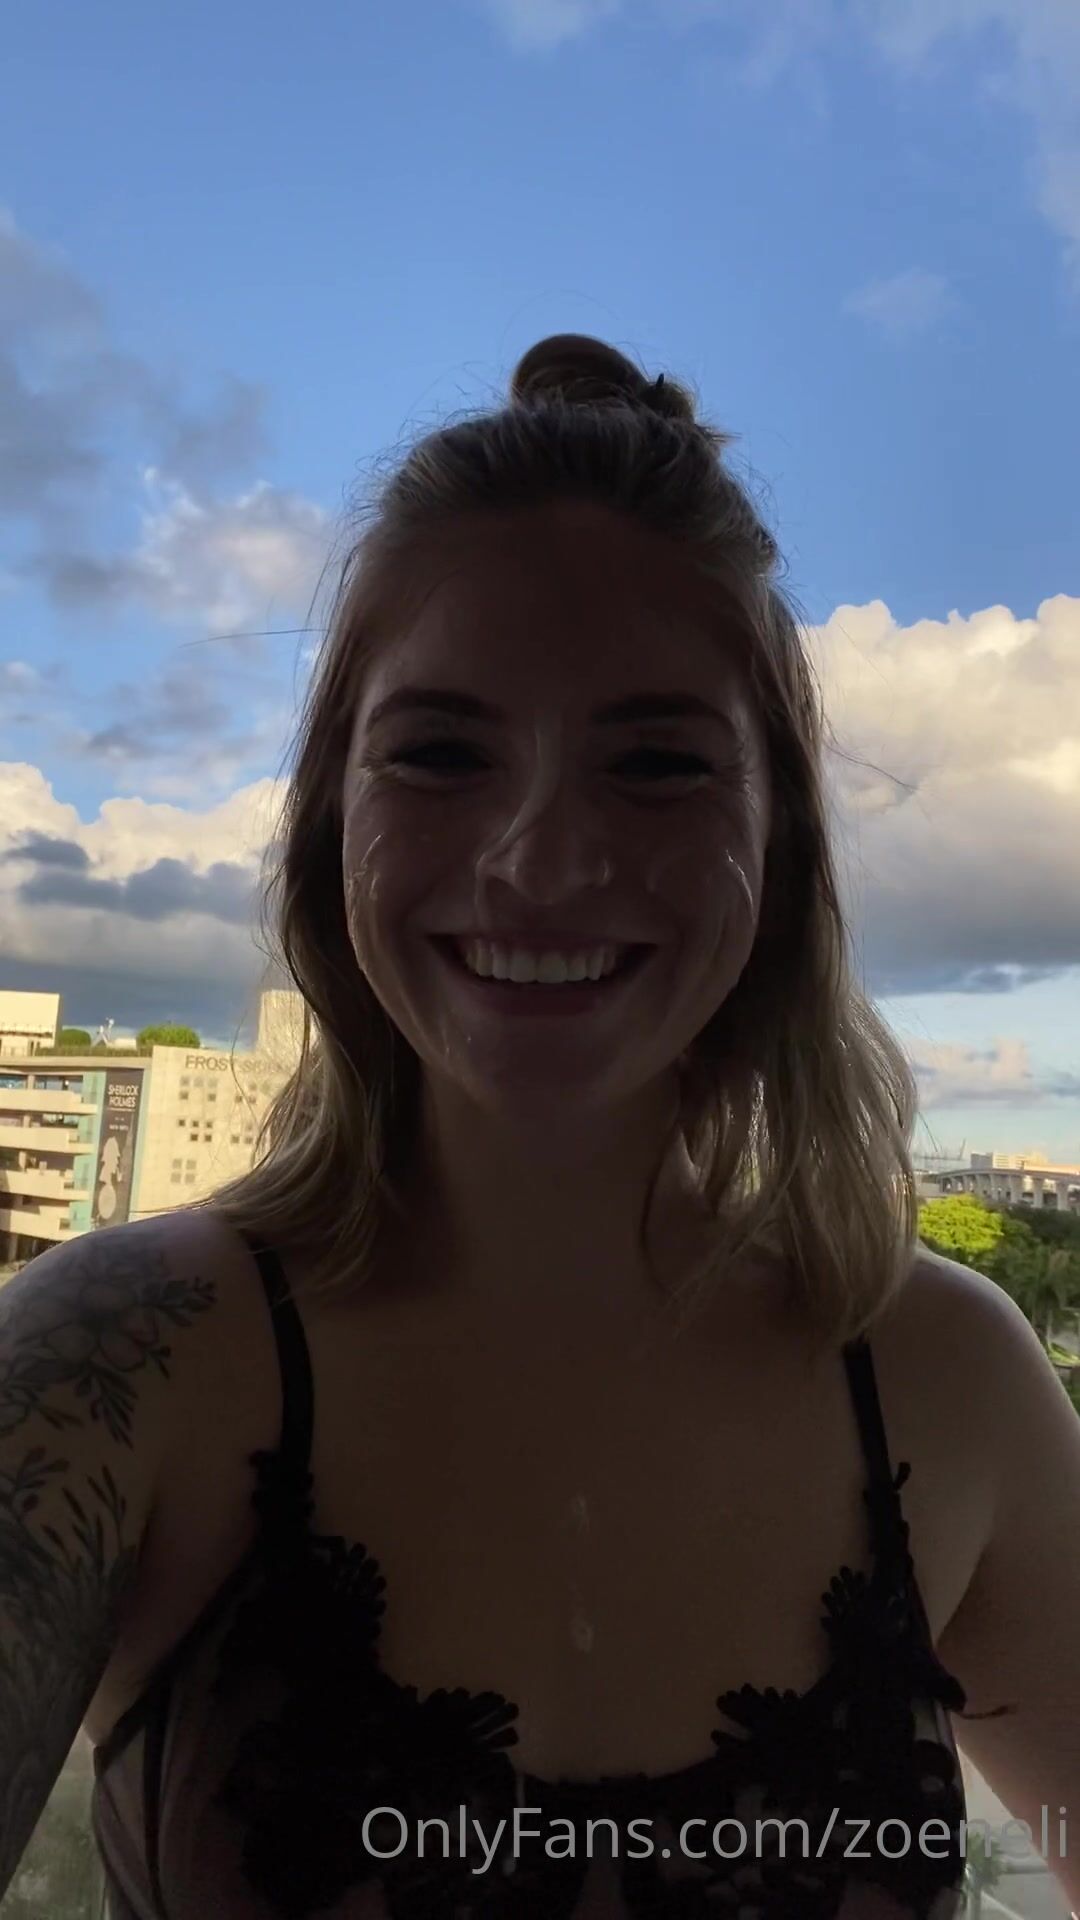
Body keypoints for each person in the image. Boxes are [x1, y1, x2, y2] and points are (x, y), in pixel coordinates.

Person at [2, 334, 1078, 1920]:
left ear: (781, 839)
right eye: (442, 752)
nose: (541, 859)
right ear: (331, 818)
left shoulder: (951, 1383)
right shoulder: (110, 1368)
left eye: (656, 763)